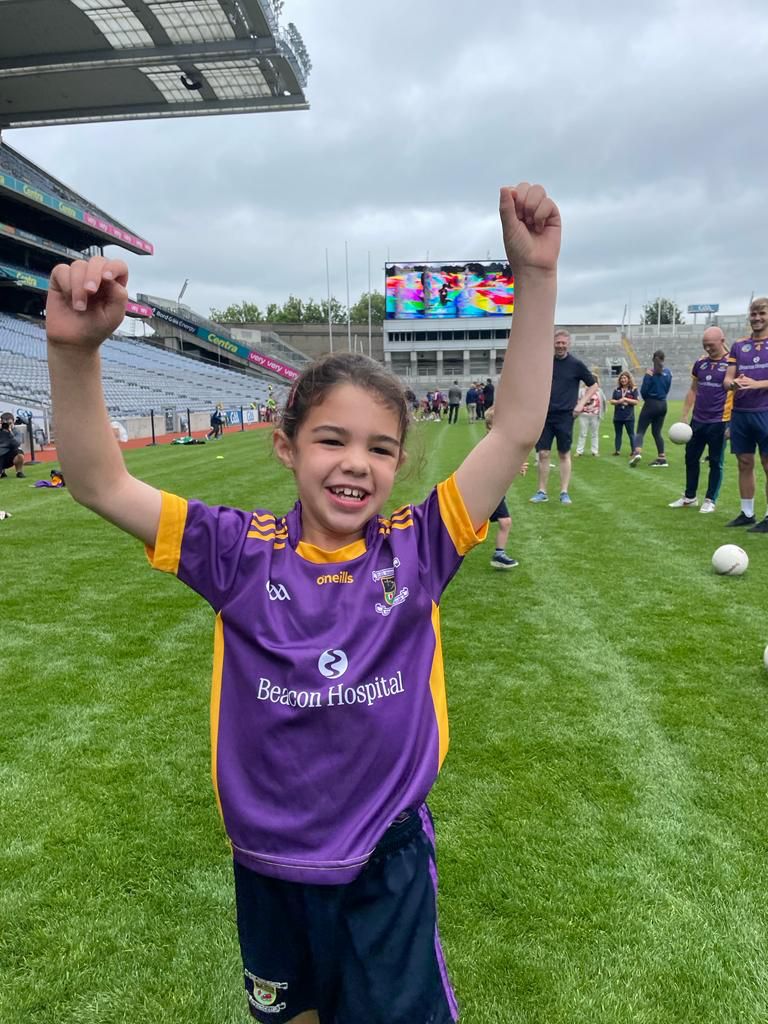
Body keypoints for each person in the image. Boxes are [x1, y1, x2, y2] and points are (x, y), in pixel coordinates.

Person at [44, 181, 561, 1024]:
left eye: (381, 447)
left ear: (398, 463)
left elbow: (512, 430)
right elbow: (100, 482)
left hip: (385, 863)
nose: (356, 463)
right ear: (287, 447)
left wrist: (532, 279)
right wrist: (74, 353)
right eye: (332, 438)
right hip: (268, 864)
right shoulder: (235, 551)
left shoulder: (419, 545)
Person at [529, 330, 597, 505]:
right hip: (545, 415)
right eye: (557, 342)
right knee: (543, 453)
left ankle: (564, 492)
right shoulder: (545, 363)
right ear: (553, 343)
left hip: (565, 416)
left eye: (563, 343)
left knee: (563, 453)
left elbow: (593, 385)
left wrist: (581, 404)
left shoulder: (576, 364)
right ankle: (542, 491)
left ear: (568, 344)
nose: (560, 346)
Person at [668, 327, 731, 514]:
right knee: (691, 458)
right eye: (705, 346)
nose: (708, 349)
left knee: (715, 461)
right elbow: (693, 389)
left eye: (711, 345)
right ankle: (690, 497)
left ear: (722, 341)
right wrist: (685, 414)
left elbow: (738, 394)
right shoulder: (700, 364)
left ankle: (710, 499)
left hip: (720, 421)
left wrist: (732, 424)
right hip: (698, 420)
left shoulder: (732, 365)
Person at [722, 296, 768, 531]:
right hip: (741, 412)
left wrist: (757, 384)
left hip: (765, 411)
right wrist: (733, 384)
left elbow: (759, 382)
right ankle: (747, 513)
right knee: (744, 462)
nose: (757, 318)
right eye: (753, 313)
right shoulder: (739, 346)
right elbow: (727, 378)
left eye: (762, 313)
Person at [483, 406, 527, 568]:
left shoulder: (497, 442)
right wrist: (515, 467)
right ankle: (499, 555)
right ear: (490, 426)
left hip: (492, 489)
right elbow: (494, 468)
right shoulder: (490, 444)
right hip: (488, 490)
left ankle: (499, 554)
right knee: (504, 521)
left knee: (498, 522)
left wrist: (516, 465)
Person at [629, 350, 672, 467]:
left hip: (651, 404)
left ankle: (637, 452)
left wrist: (649, 398)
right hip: (663, 404)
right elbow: (667, 388)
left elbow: (643, 391)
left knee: (640, 431)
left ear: (653, 359)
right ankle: (662, 458)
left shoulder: (649, 373)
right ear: (663, 359)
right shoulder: (668, 373)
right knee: (657, 432)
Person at [574, 371, 606, 456]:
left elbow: (604, 401)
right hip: (583, 415)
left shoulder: (599, 391)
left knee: (594, 433)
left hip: (595, 415)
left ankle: (595, 451)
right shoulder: (581, 391)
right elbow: (577, 400)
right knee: (582, 433)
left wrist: (601, 412)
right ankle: (579, 451)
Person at [609, 371, 639, 455]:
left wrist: (626, 399)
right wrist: (619, 402)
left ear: (629, 379)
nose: (623, 380)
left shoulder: (633, 389)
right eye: (621, 378)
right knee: (618, 434)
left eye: (625, 378)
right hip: (618, 416)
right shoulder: (617, 390)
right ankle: (617, 450)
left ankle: (633, 451)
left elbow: (636, 402)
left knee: (631, 434)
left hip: (628, 416)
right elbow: (611, 401)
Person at [0, 412, 25, 479]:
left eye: (10, 423)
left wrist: (10, 433)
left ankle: (19, 472)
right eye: (5, 424)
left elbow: (16, 444)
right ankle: (2, 471)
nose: (8, 425)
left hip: (10, 455)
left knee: (19, 453)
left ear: (13, 422)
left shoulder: (16, 431)